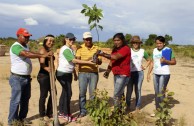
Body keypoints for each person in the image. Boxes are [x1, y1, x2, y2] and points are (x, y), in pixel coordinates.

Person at [8, 28, 52, 125]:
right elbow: (27, 54)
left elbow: (30, 53)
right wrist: (43, 55)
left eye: (28, 36)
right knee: (16, 101)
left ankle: (22, 118)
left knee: (25, 99)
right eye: (25, 36)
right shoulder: (16, 46)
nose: (27, 38)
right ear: (18, 36)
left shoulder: (26, 46)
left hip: (26, 78)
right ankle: (12, 122)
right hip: (17, 78)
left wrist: (43, 55)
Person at [56, 33, 95, 122]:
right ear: (66, 39)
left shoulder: (70, 49)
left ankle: (61, 112)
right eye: (70, 39)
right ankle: (66, 114)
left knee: (65, 93)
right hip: (63, 74)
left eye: (73, 39)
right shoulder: (65, 49)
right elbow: (73, 60)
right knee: (68, 93)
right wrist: (89, 62)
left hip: (67, 74)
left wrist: (74, 73)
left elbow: (71, 64)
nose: (72, 41)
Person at [99, 33, 131, 112]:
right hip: (116, 73)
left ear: (122, 40)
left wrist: (102, 54)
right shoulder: (115, 50)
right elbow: (111, 61)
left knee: (116, 94)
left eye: (118, 40)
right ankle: (121, 110)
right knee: (120, 93)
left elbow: (115, 57)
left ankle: (117, 112)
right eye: (115, 40)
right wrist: (107, 71)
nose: (116, 42)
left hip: (123, 74)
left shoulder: (126, 48)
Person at [147, 36, 176, 116]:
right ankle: (157, 111)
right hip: (155, 74)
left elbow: (174, 62)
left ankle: (163, 112)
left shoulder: (168, 50)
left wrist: (165, 61)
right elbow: (152, 62)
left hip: (164, 74)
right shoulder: (154, 50)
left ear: (164, 43)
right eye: (157, 43)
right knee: (156, 93)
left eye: (160, 43)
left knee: (161, 92)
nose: (158, 45)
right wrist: (148, 73)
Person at [75, 32, 102, 118]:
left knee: (93, 93)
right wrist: (88, 60)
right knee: (82, 93)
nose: (88, 41)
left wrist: (97, 60)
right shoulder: (80, 48)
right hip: (82, 73)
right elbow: (77, 61)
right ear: (83, 40)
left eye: (89, 39)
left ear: (92, 39)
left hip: (94, 73)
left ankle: (92, 110)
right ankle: (83, 111)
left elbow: (100, 62)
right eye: (86, 39)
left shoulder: (97, 48)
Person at [126, 36, 151, 113]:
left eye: (137, 42)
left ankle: (137, 106)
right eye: (134, 42)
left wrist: (145, 66)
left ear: (140, 43)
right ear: (132, 43)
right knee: (129, 90)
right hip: (130, 73)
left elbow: (149, 60)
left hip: (139, 73)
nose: (135, 44)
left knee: (138, 90)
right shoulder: (129, 50)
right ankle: (128, 106)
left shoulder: (143, 51)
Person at [37, 34, 55, 121]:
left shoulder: (49, 50)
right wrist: (46, 68)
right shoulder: (42, 49)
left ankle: (49, 112)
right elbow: (42, 62)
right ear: (45, 41)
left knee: (53, 93)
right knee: (44, 95)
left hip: (50, 75)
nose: (51, 43)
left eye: (52, 41)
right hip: (43, 75)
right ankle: (42, 114)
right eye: (49, 41)